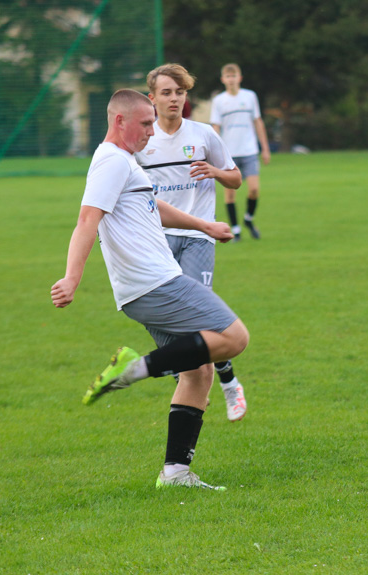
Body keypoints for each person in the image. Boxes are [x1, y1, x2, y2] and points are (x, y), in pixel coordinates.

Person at [51, 89, 250, 490]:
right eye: (144, 123)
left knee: (198, 373)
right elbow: (87, 220)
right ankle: (136, 368)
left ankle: (175, 473)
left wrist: (205, 225)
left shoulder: (126, 162)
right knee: (234, 338)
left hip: (143, 287)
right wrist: (72, 277)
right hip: (154, 281)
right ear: (119, 121)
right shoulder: (110, 161)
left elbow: (152, 208)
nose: (151, 130)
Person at [136, 63, 248, 422]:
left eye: (180, 93)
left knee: (201, 324)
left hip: (199, 239)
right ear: (151, 98)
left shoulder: (203, 135)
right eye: (166, 93)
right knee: (180, 325)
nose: (174, 99)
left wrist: (215, 172)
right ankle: (196, 374)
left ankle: (228, 382)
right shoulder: (142, 143)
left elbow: (235, 180)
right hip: (158, 243)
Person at [210, 63, 271, 241]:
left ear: (240, 78)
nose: (231, 79)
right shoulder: (219, 101)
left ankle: (248, 219)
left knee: (254, 190)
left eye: (234, 76)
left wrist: (265, 148)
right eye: (227, 77)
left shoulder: (250, 96)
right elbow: (215, 127)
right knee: (230, 194)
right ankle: (235, 229)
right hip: (229, 154)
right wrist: (215, 153)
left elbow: (258, 122)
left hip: (249, 151)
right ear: (223, 80)